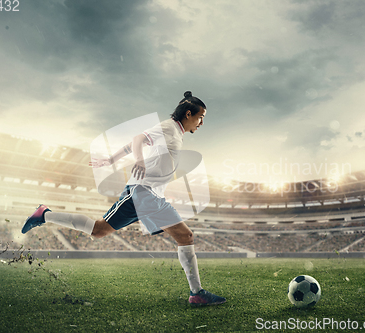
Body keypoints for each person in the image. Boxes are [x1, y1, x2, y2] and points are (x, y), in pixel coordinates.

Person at [21, 91, 226, 307]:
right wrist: (139, 160)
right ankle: (44, 214)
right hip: (142, 193)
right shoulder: (169, 127)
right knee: (178, 235)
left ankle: (197, 294)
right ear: (188, 113)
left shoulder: (176, 132)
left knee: (103, 230)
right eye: (201, 117)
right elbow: (138, 139)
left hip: (152, 196)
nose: (201, 122)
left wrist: (112, 158)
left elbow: (132, 144)